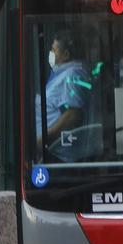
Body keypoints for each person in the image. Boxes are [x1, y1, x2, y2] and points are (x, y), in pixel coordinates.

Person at [37, 30, 94, 160]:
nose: (51, 53)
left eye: (54, 50)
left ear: (66, 54)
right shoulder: (61, 73)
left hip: (59, 156)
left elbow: (73, 115)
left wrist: (44, 139)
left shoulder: (72, 74)